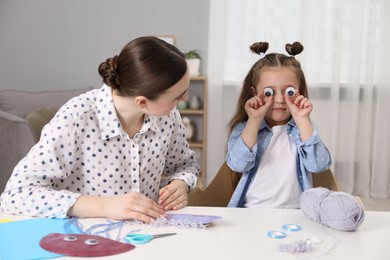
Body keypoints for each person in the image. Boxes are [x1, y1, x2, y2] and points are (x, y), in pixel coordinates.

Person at [0, 36, 199, 222]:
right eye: (178, 96)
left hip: (143, 236)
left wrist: (180, 184)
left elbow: (186, 165)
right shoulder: (76, 117)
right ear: (142, 102)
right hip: (80, 240)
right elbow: (16, 194)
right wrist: (104, 206)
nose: (185, 99)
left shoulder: (168, 116)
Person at [226, 41, 332, 208]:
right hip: (251, 212)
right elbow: (238, 164)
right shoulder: (245, 128)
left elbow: (318, 165)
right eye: (269, 92)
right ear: (254, 93)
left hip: (296, 213)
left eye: (289, 91)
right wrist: (254, 120)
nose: (280, 99)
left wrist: (302, 119)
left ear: (300, 92)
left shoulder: (303, 130)